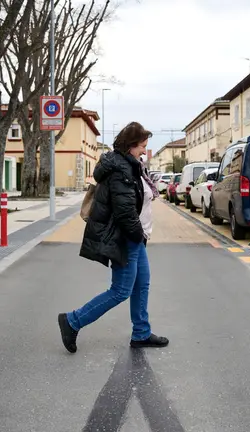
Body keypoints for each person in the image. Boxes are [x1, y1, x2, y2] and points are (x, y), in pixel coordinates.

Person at [58, 122, 169, 353]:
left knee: (141, 284)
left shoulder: (131, 165)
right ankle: (72, 321)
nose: (144, 151)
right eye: (142, 146)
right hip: (127, 238)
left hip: (136, 237)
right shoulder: (121, 170)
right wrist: (137, 235)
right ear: (130, 145)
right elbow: (125, 212)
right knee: (120, 290)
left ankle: (141, 333)